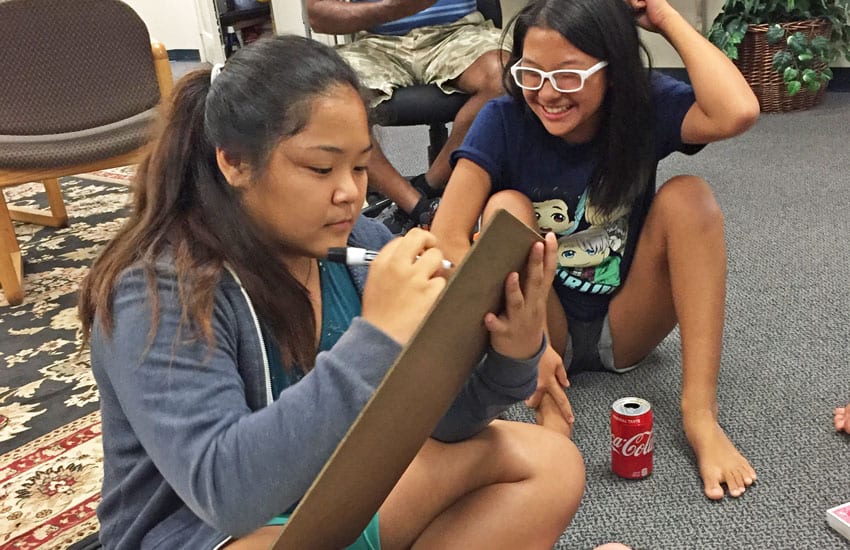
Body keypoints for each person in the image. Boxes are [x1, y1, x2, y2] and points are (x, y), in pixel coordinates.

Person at [77, 35, 585, 549]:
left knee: (549, 463)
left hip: (332, 498)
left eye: (361, 166)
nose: (351, 192)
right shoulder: (156, 289)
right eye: (321, 168)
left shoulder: (358, 246)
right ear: (234, 162)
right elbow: (228, 495)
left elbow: (445, 422)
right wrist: (378, 337)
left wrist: (511, 354)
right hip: (218, 532)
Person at [430, 0, 762, 501]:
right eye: (530, 74)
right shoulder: (502, 118)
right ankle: (545, 403)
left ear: (614, 72)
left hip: (627, 323)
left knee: (690, 198)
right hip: (544, 326)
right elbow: (448, 236)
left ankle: (700, 418)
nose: (546, 94)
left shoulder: (641, 107)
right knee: (505, 208)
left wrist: (666, 19)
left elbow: (737, 111)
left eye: (568, 77)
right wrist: (526, 346)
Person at [305, 0, 509, 234]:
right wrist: (394, 8)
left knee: (505, 77)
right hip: (378, 42)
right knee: (330, 94)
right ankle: (416, 205)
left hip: (458, 32)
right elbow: (318, 16)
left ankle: (428, 186)